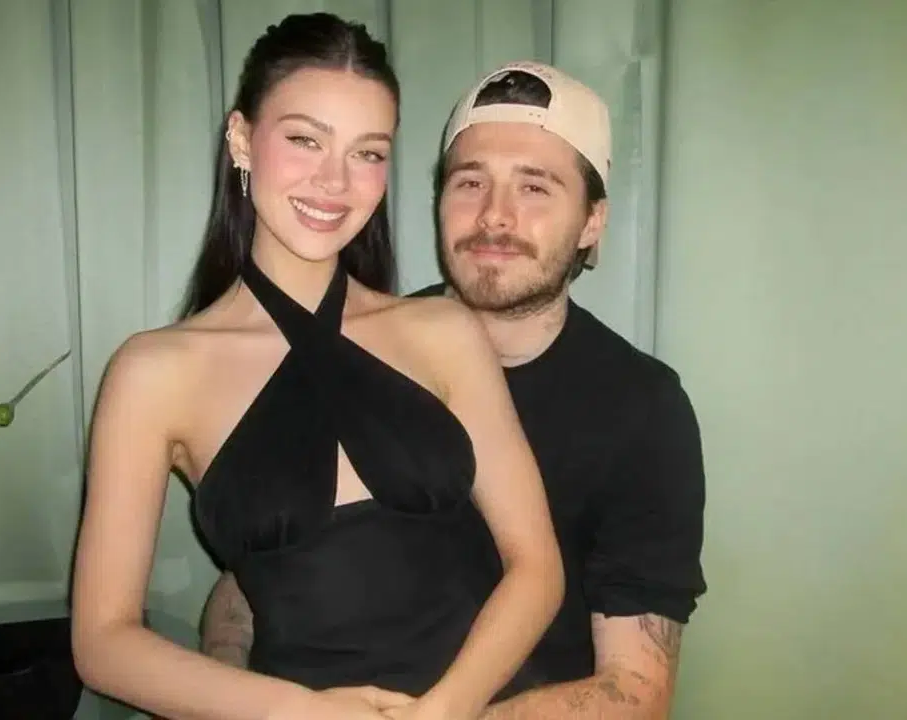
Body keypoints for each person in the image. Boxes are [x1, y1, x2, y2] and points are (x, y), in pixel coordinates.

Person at [71, 15, 565, 720]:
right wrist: (298, 712)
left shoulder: (443, 332)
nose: (335, 181)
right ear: (241, 139)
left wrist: (446, 709)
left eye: (368, 153)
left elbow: (537, 567)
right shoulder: (154, 372)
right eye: (305, 140)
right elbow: (103, 642)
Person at [200, 61, 708, 719]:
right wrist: (228, 688)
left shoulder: (640, 408)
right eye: (470, 182)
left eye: (535, 187)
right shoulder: (344, 345)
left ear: (592, 221)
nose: (495, 216)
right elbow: (261, 567)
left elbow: (635, 692)